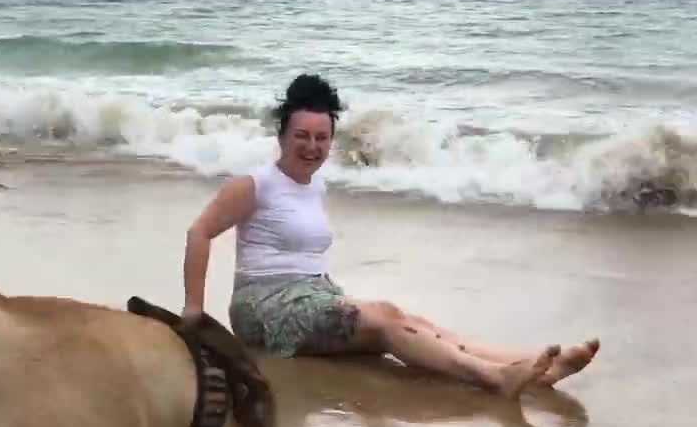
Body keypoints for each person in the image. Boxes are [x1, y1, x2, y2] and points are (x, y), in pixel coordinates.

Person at [180, 73, 599, 399]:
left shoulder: (315, 186)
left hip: (312, 295)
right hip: (265, 309)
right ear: (282, 136)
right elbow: (200, 233)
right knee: (384, 317)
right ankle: (494, 379)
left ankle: (539, 367)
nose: (312, 146)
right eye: (301, 136)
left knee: (411, 321)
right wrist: (193, 313)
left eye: (321, 137)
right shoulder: (255, 185)